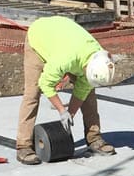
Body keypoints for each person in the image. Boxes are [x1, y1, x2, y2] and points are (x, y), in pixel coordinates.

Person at [17, 16, 116, 165]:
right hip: (39, 37)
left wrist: (71, 114)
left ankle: (94, 138)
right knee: (32, 93)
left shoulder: (99, 58)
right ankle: (23, 146)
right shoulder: (65, 59)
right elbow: (46, 84)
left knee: (89, 93)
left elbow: (83, 89)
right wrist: (62, 110)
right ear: (86, 68)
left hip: (63, 38)